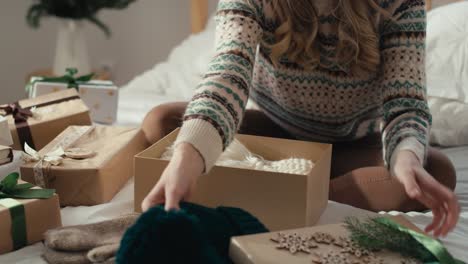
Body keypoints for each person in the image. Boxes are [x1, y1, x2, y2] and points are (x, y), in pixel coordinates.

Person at [141, 0, 460, 237]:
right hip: (276, 133)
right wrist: (186, 160)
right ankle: (287, 195)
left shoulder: (401, 3)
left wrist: (405, 157)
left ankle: (276, 194)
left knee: (433, 171)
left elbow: (405, 99)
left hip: (349, 148)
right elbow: (227, 73)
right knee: (163, 122)